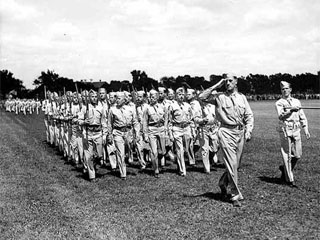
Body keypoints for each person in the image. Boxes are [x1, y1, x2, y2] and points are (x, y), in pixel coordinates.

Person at [199, 73, 254, 207]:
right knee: (232, 163)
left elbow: (249, 115)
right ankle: (235, 195)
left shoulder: (242, 97)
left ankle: (223, 182)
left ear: (236, 82)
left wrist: (248, 130)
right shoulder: (219, 97)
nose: (227, 83)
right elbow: (201, 97)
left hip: (240, 132)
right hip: (226, 132)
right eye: (226, 82)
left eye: (230, 81)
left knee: (236, 164)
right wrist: (218, 84)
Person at [275, 81, 310, 188]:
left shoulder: (297, 101)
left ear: (290, 89)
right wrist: (290, 111)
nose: (284, 91)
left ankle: (285, 169)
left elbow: (302, 116)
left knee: (297, 155)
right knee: (287, 155)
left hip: (296, 129)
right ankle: (290, 180)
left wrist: (306, 129)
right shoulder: (279, 102)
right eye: (282, 89)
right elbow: (281, 116)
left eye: (286, 88)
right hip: (285, 129)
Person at [78, 90, 108, 182]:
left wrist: (104, 135)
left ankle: (93, 165)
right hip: (88, 133)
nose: (94, 98)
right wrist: (83, 122)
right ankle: (92, 176)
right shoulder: (84, 108)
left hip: (98, 133)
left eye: (95, 96)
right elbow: (78, 120)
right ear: (89, 98)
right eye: (92, 97)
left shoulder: (101, 108)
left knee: (99, 155)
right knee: (89, 155)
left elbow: (104, 122)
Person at [142, 89, 167, 178]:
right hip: (152, 130)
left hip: (161, 129)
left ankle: (161, 159)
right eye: (150, 97)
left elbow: (166, 119)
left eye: (153, 97)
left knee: (163, 151)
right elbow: (144, 122)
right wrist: (145, 134)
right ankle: (156, 169)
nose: (151, 99)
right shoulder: (147, 108)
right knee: (154, 151)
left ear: (157, 97)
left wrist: (166, 129)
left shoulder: (163, 107)